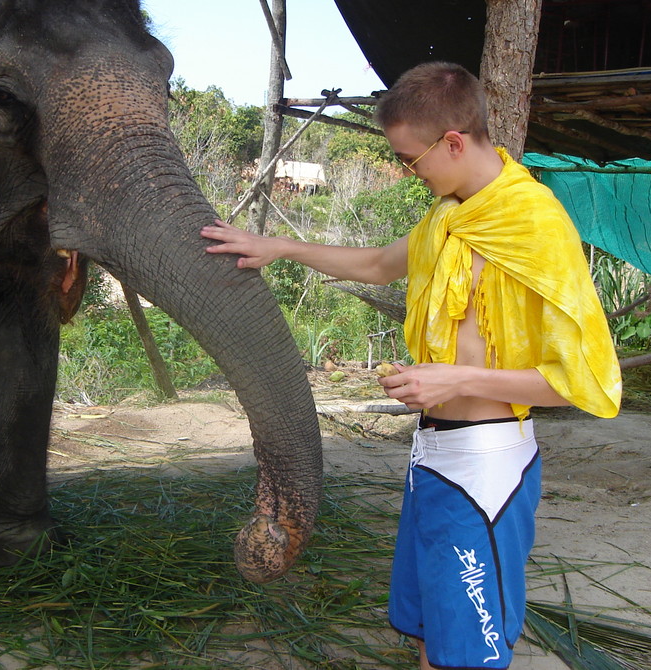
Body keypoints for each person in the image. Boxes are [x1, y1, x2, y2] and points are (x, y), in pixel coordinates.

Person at [201, 61, 621, 670]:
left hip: (484, 473)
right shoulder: (448, 217)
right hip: (432, 459)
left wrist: (456, 378)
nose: (408, 172)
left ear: (453, 142)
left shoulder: (533, 226)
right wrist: (280, 248)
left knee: (469, 657)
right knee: (432, 638)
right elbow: (377, 264)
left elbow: (579, 382)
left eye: (410, 158)